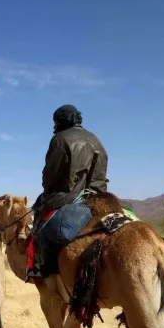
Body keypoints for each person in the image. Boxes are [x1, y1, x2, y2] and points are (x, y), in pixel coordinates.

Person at [26, 104, 109, 279]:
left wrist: (47, 188)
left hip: (67, 196)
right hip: (99, 196)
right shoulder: (96, 139)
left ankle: (41, 269)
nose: (54, 126)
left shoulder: (60, 139)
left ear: (61, 121)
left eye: (55, 122)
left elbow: (50, 175)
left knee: (38, 229)